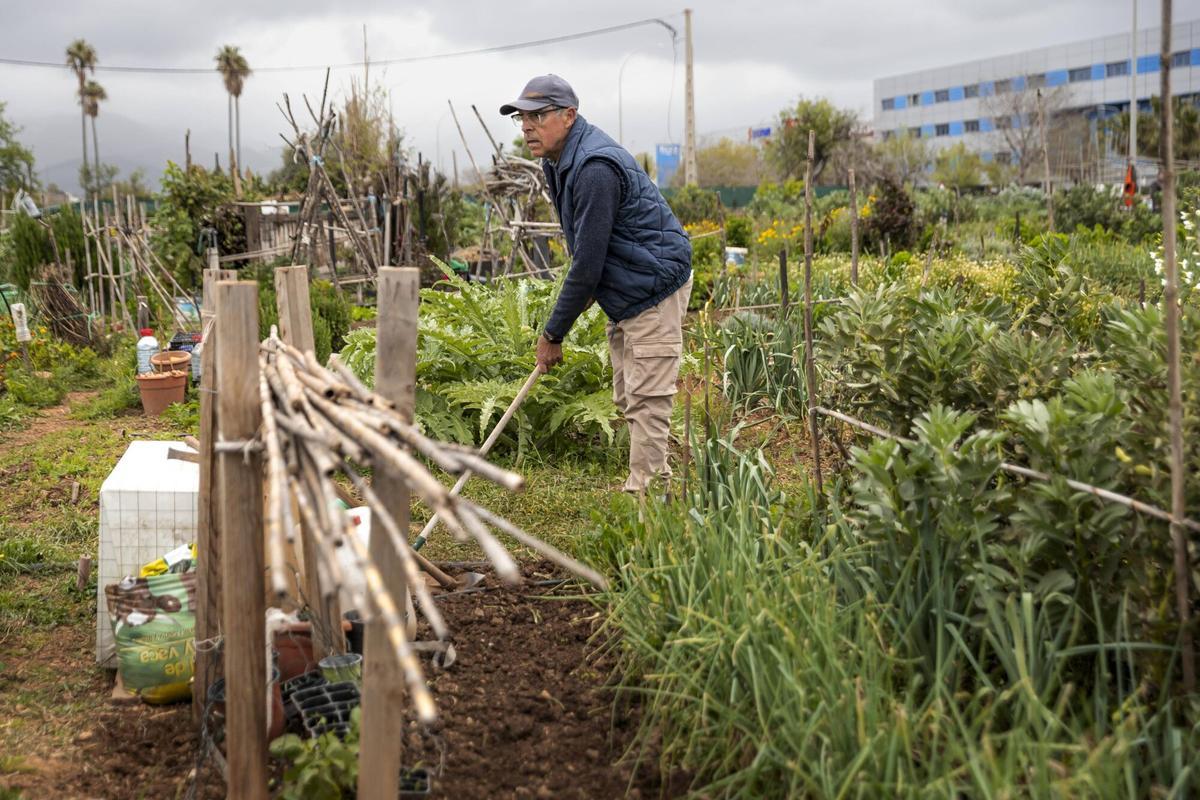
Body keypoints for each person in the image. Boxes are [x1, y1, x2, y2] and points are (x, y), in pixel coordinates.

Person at [500, 74, 692, 494]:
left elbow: (587, 263)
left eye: (538, 115)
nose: (528, 126)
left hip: (652, 286)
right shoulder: (558, 161)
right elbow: (589, 251)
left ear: (569, 116)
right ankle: (656, 485)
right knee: (628, 397)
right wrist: (578, 300)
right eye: (522, 118)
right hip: (627, 286)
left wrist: (553, 333)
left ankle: (650, 504)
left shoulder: (593, 168)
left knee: (646, 400)